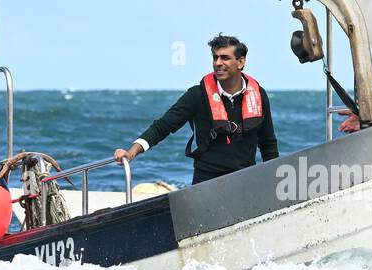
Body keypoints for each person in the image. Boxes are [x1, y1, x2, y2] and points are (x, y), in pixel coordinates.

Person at [114, 35, 279, 185]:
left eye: (225, 58)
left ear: (241, 62)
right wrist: (131, 152)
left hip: (246, 178)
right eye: (215, 58)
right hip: (207, 181)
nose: (218, 63)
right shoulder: (197, 95)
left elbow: (268, 142)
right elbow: (163, 127)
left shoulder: (259, 94)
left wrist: (274, 182)